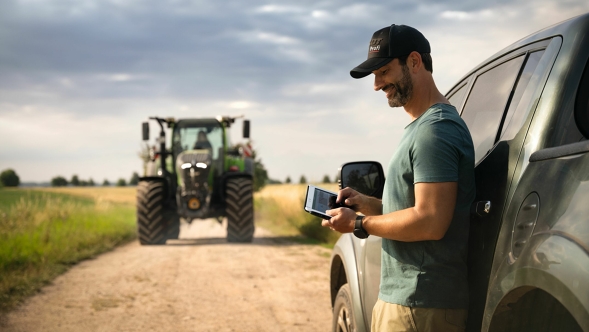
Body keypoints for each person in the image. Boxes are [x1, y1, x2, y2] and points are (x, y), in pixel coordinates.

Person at [322, 24, 475, 332]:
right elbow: (414, 211)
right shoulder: (424, 128)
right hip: (408, 303)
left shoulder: (436, 130)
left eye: (383, 72)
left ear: (414, 62)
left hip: (420, 305)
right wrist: (367, 204)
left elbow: (430, 221)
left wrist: (357, 224)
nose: (377, 85)